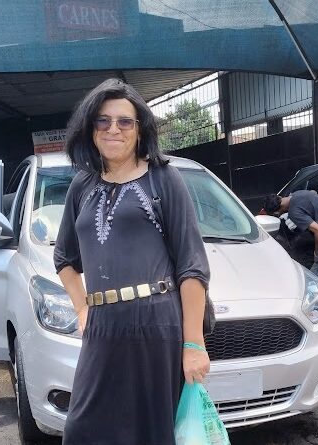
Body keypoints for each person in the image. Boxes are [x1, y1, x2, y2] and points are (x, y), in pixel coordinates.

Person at [53, 78, 211, 445]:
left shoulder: (164, 179)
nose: (114, 129)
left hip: (155, 322)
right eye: (103, 120)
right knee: (81, 431)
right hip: (102, 326)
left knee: (151, 433)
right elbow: (64, 258)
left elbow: (192, 266)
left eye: (125, 121)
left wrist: (194, 344)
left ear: (140, 130)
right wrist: (81, 308)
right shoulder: (82, 185)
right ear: (90, 128)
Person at [263, 191, 318, 342]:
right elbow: (313, 193)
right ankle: (313, 318)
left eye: (278, 214)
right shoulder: (298, 194)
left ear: (279, 210)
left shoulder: (294, 212)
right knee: (312, 279)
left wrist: (316, 252)